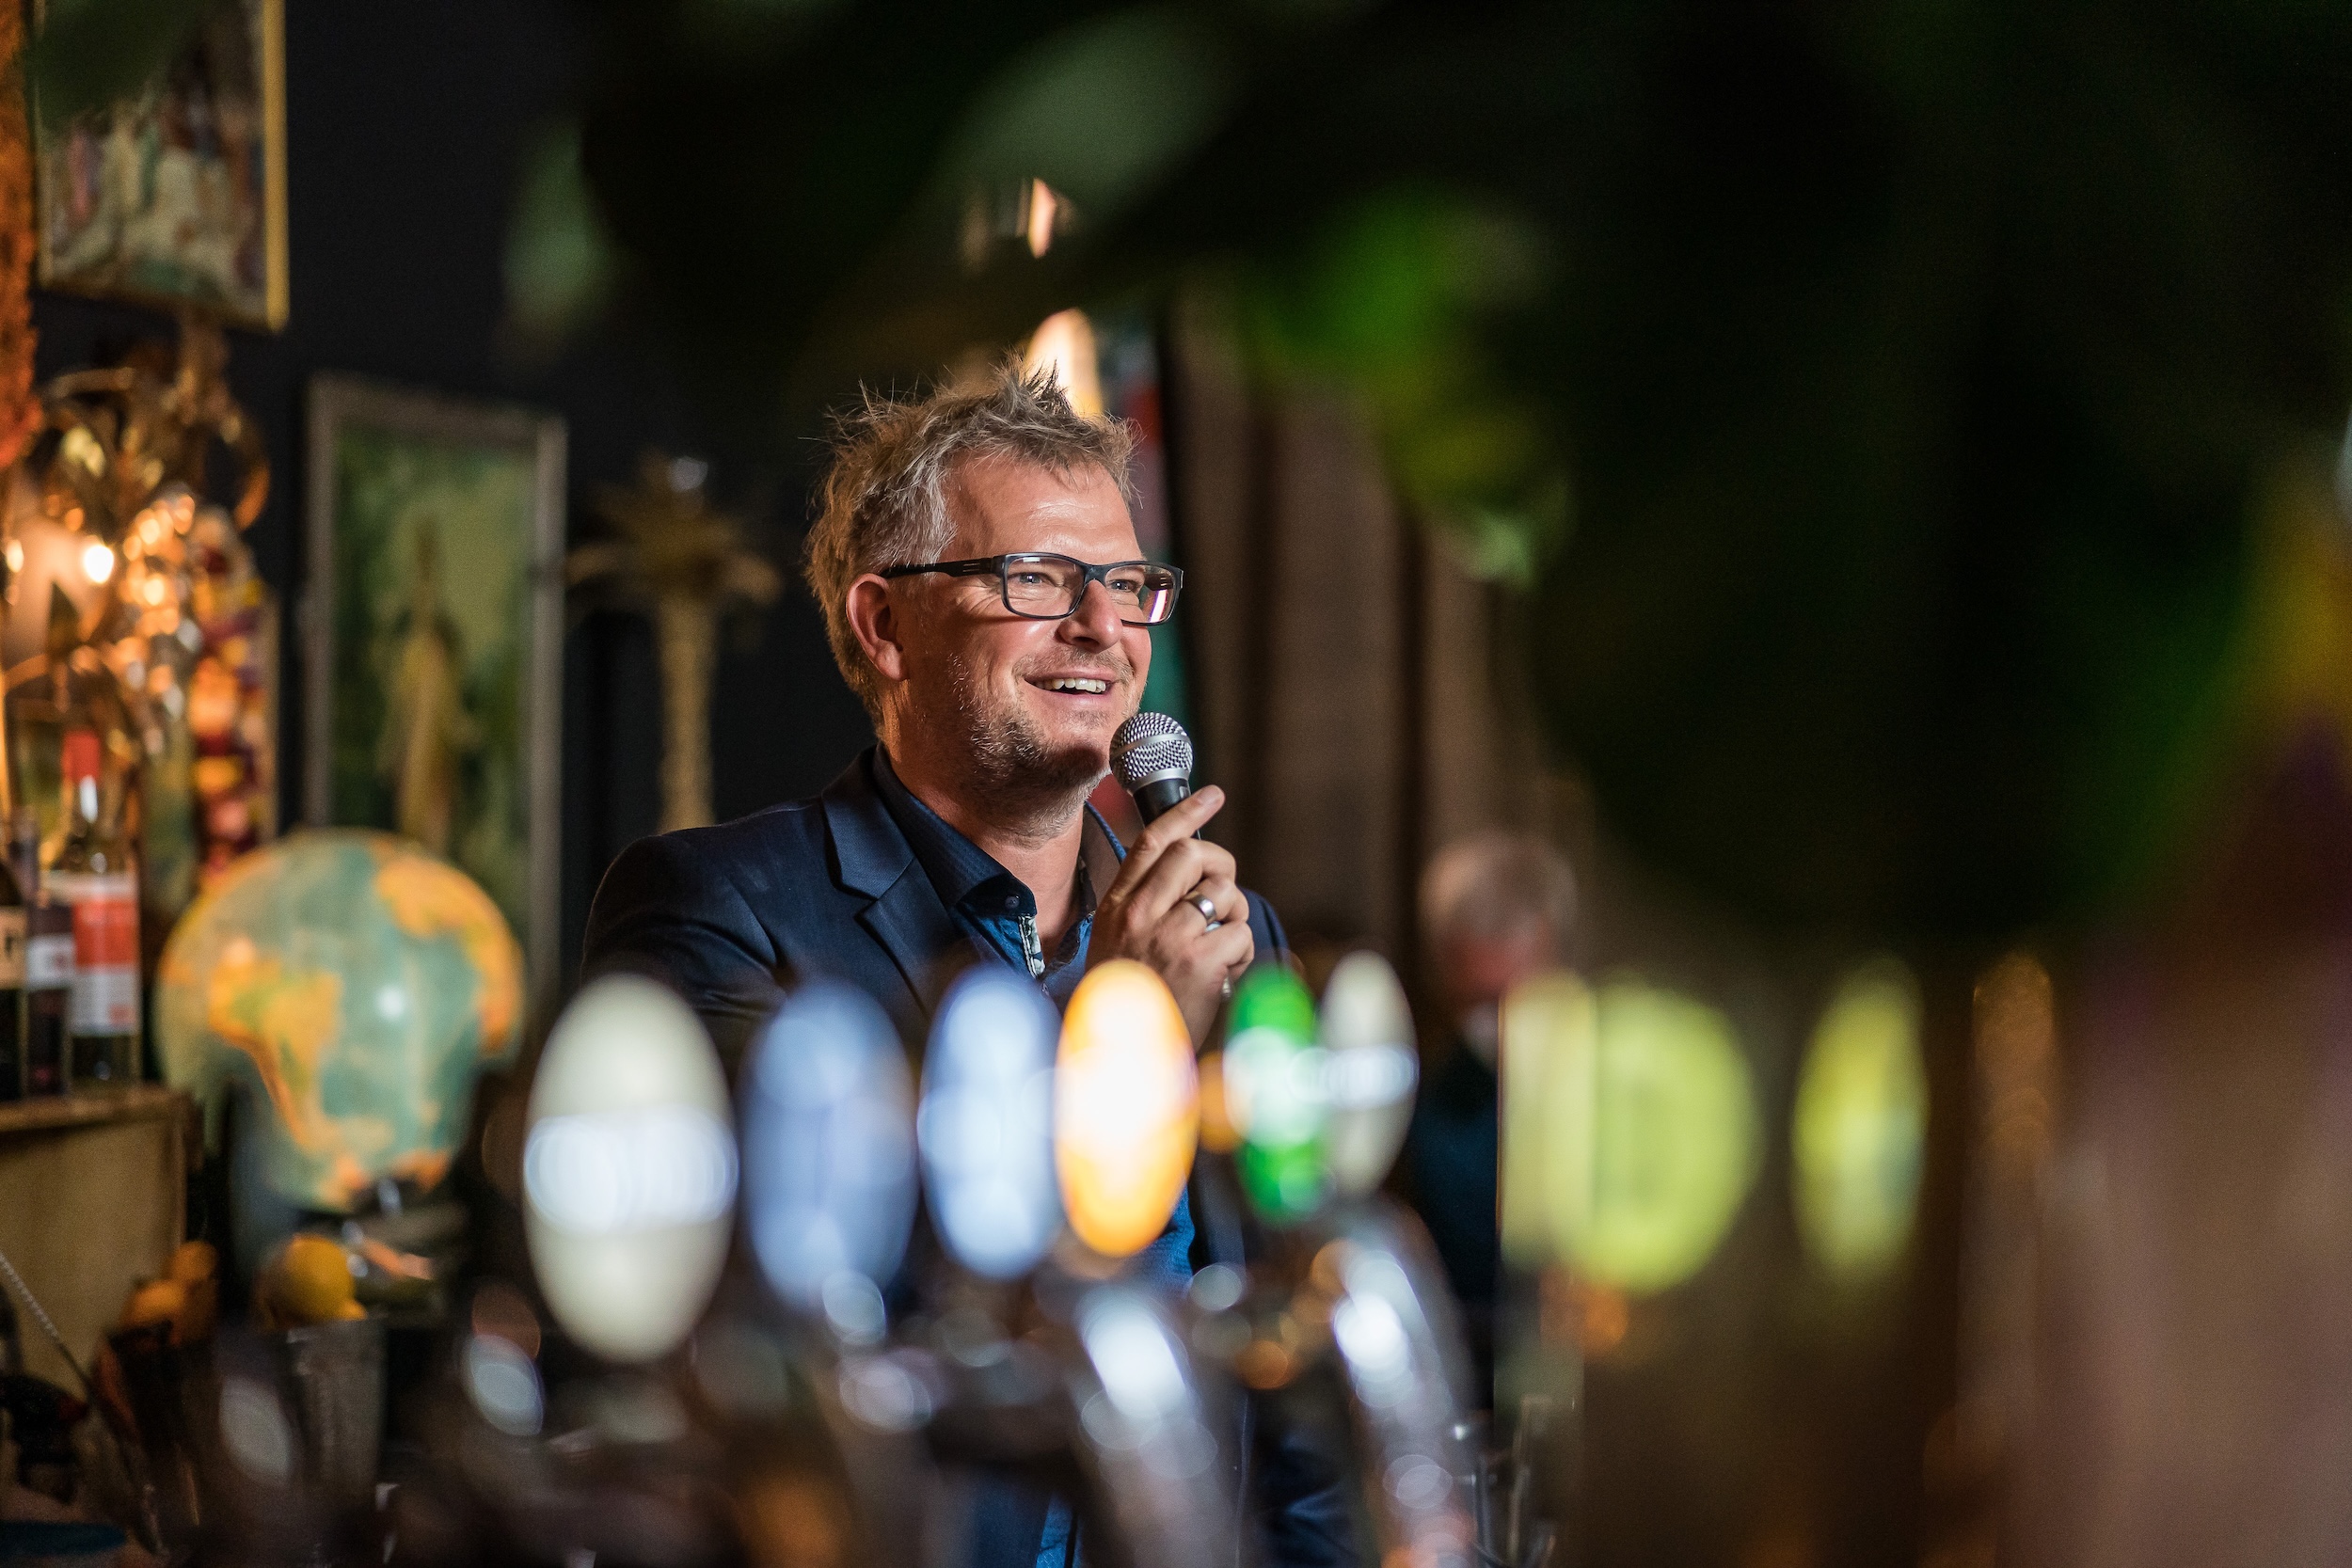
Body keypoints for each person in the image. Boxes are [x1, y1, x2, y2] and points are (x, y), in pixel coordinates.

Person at [583, 363, 1353, 1568]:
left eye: (1127, 583)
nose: (1102, 628)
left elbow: (1301, 1362)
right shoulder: (716, 911)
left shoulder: (1229, 927)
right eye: (1038, 578)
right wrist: (1116, 1025)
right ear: (884, 626)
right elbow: (779, 1358)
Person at [1400, 831, 1577, 1406]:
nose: (1498, 1025)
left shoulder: (1613, 1081)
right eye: (1481, 1001)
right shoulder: (1439, 1110)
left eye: (1516, 1000)